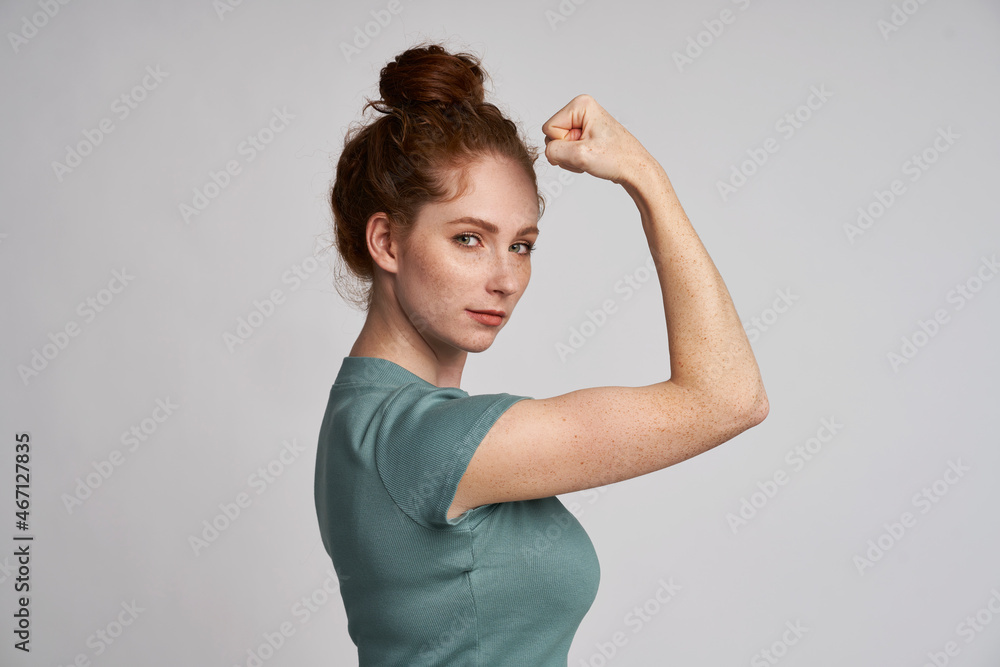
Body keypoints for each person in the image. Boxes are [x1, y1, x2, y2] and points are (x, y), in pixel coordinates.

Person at [314, 40, 769, 666]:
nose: (504, 278)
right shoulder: (420, 439)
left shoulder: (365, 421)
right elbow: (729, 398)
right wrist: (644, 175)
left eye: (522, 245)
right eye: (469, 238)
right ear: (387, 241)